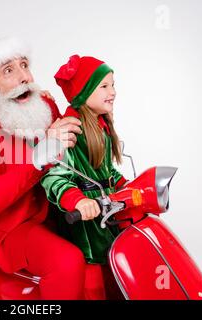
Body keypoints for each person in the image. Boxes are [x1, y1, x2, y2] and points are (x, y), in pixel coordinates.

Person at [0, 37, 87, 299]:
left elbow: (70, 153)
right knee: (68, 261)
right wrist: (38, 157)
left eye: (24, 65)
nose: (24, 77)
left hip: (63, 210)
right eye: (9, 70)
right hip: (17, 228)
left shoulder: (46, 106)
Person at [41, 54, 128, 299]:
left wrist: (129, 186)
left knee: (117, 269)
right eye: (104, 86)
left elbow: (105, 171)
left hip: (108, 209)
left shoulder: (100, 124)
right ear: (84, 92)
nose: (112, 92)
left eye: (113, 85)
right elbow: (54, 175)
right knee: (93, 279)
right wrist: (77, 200)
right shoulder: (70, 128)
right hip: (86, 218)